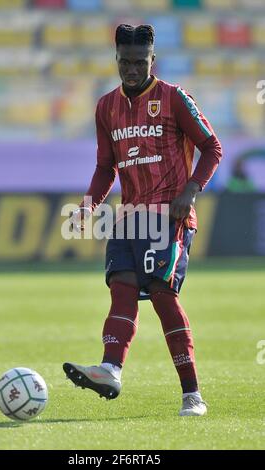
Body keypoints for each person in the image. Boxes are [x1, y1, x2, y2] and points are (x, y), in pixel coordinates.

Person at [63, 24, 222, 416]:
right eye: (125, 62)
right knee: (121, 287)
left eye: (140, 62)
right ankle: (110, 369)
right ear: (116, 60)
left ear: (153, 60)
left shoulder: (174, 98)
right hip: (129, 216)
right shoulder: (106, 107)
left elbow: (212, 148)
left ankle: (192, 395)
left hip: (168, 213)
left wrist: (189, 192)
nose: (132, 69)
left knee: (163, 296)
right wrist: (88, 205)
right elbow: (105, 167)